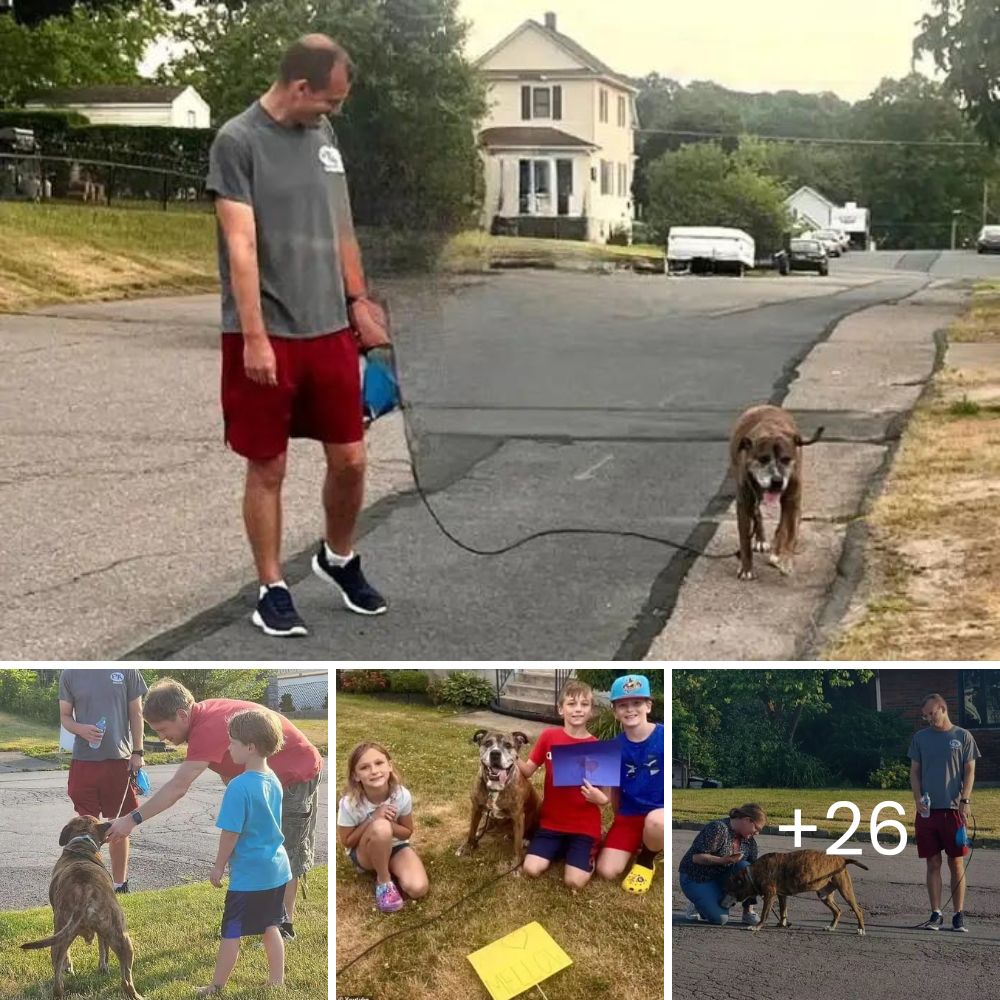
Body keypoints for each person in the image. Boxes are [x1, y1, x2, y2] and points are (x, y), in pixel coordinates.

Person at [206, 33, 391, 638]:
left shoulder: (324, 138)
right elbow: (240, 245)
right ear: (300, 86)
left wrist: (360, 301)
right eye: (329, 101)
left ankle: (337, 558)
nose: (333, 112)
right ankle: (272, 587)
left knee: (352, 459)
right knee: (268, 467)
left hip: (330, 328)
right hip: (267, 333)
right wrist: (255, 337)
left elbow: (341, 224)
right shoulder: (238, 141)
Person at [106, 678, 322, 941]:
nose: (162, 737)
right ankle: (266, 917)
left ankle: (283, 924)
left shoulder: (207, 727)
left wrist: (132, 819)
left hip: (294, 776)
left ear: (182, 715)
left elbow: (178, 786)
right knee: (262, 849)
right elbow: (229, 765)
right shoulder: (204, 716)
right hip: (269, 779)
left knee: (284, 850)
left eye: (163, 729)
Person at [197, 708, 291, 997]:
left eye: (232, 742)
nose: (228, 747)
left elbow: (230, 834)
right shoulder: (272, 777)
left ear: (250, 747)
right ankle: (277, 980)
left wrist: (218, 867)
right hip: (276, 869)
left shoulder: (238, 787)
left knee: (231, 931)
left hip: (250, 875)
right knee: (270, 925)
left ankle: (216, 986)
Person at [58, 668, 149, 893]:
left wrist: (138, 751)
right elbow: (65, 716)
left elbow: (136, 712)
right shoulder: (70, 673)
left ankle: (120, 884)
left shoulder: (127, 670)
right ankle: (89, 883)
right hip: (84, 761)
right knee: (86, 827)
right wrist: (81, 729)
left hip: (119, 761)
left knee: (119, 825)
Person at [517, 680, 611, 890]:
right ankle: (561, 847)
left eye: (584, 704)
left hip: (583, 825)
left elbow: (606, 798)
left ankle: (590, 850)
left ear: (591, 710)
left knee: (574, 882)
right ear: (561, 709)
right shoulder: (549, 737)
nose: (578, 709)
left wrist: (599, 798)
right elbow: (529, 770)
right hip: (552, 822)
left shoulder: (598, 747)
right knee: (531, 869)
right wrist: (510, 755)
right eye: (571, 704)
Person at [910, 692, 980, 932]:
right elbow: (915, 772)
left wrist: (966, 799)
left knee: (956, 862)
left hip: (954, 811)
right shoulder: (920, 738)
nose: (929, 718)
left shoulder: (963, 737)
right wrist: (918, 798)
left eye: (931, 713)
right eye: (925, 716)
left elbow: (970, 770)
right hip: (928, 811)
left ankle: (958, 915)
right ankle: (936, 913)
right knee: (932, 862)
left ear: (942, 708)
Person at [336, 742, 428, 913]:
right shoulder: (349, 804)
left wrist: (390, 824)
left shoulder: (401, 795)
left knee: (418, 888)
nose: (374, 771)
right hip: (365, 853)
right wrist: (373, 818)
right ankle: (384, 880)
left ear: (390, 766)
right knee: (380, 828)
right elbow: (347, 842)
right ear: (356, 775)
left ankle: (389, 864)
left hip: (396, 846)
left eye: (379, 763)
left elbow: (407, 832)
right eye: (364, 767)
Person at [595, 673, 665, 893]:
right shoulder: (613, 747)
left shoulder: (665, 736)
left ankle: (646, 859)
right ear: (615, 712)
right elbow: (613, 790)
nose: (630, 709)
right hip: (630, 814)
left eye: (637, 703)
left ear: (648, 706)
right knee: (606, 871)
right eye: (623, 705)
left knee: (656, 822)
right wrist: (618, 819)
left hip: (659, 812)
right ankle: (641, 841)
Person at [678, 804, 766, 925]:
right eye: (757, 828)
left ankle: (746, 912)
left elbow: (751, 876)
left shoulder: (749, 842)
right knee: (720, 919)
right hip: (695, 877)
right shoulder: (718, 828)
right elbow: (696, 858)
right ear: (747, 820)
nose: (757, 833)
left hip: (720, 877)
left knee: (748, 869)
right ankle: (697, 903)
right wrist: (723, 860)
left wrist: (748, 907)